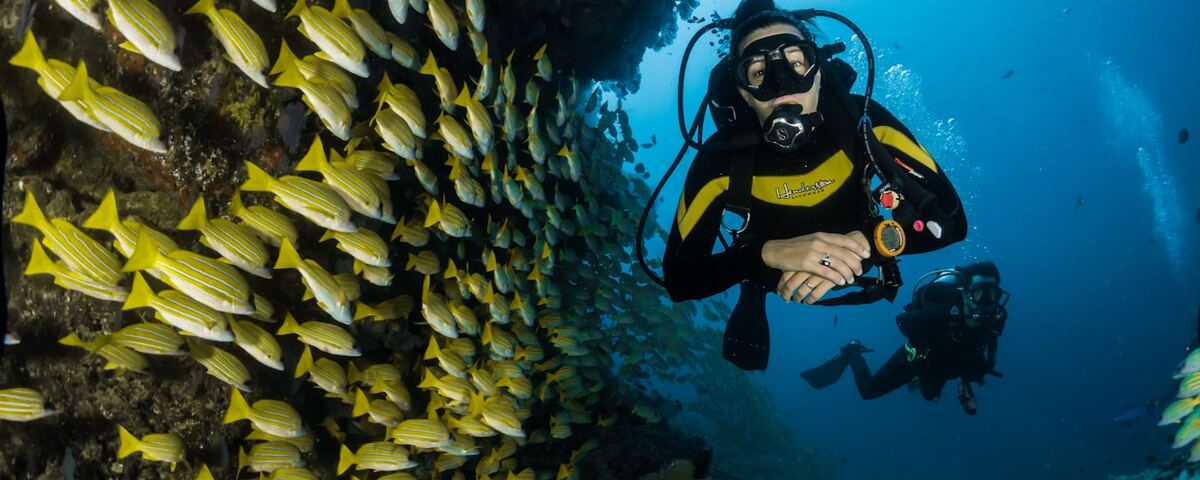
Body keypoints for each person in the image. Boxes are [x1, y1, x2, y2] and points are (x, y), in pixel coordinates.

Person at [658, 0, 968, 369]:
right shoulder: (719, 161)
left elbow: (951, 221)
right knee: (753, 276)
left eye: (796, 61)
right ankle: (754, 287)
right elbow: (680, 279)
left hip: (865, 251)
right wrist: (763, 256)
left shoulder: (865, 124)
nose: (780, 83)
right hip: (769, 272)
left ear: (818, 71)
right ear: (742, 91)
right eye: (758, 72)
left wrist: (869, 243)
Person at [800, 261, 1008, 415]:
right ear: (965, 292)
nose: (988, 301)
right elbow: (902, 320)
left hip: (947, 364)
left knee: (930, 396)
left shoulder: (993, 320)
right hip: (917, 359)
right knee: (869, 391)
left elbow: (986, 353)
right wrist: (936, 326)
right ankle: (852, 350)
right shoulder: (942, 309)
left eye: (994, 294)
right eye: (981, 293)